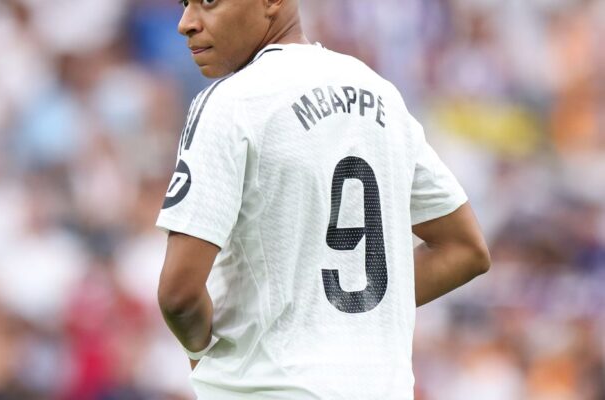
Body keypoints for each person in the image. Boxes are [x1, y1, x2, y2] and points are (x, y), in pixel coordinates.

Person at [155, 0, 491, 398]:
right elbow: (465, 249)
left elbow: (178, 295)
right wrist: (335, 317)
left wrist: (200, 351)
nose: (186, 23)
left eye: (208, 1)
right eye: (185, 4)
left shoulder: (231, 102)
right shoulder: (380, 94)